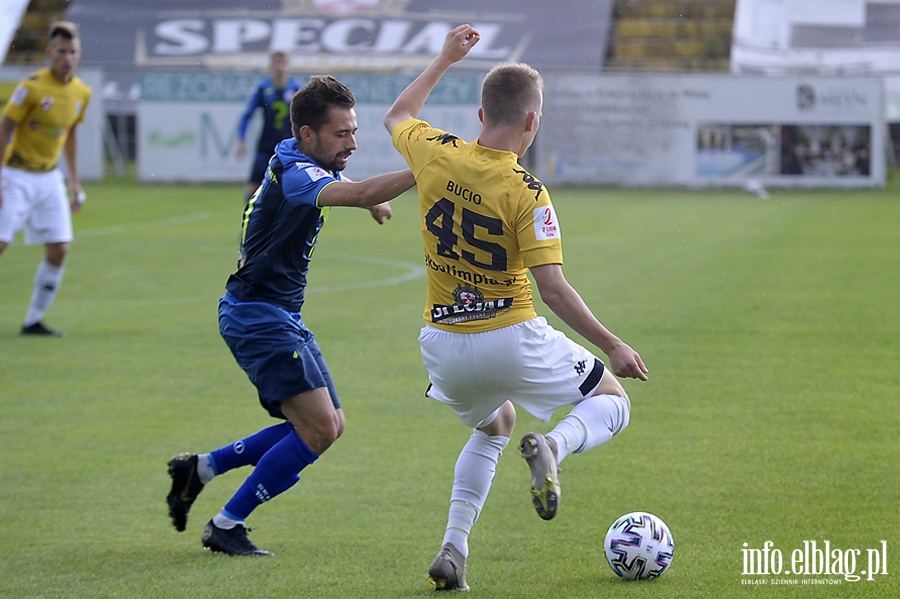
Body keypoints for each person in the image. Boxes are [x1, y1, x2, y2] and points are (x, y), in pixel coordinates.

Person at [383, 25, 649, 591]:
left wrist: (444, 58)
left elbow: (397, 113)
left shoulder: (436, 151)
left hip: (442, 344)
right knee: (613, 403)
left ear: (480, 115)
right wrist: (613, 344)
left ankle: (453, 549)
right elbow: (552, 288)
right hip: (511, 334)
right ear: (532, 121)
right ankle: (553, 446)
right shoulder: (527, 191)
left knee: (494, 424)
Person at [166, 75, 413, 556]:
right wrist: (430, 166)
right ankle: (226, 524)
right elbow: (350, 190)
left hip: (271, 313)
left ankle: (200, 469)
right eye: (342, 135)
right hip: (258, 316)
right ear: (308, 133)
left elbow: (341, 181)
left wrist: (371, 200)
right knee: (318, 430)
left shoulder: (296, 156)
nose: (353, 143)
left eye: (353, 131)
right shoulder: (299, 174)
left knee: (329, 425)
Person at [0, 21, 91, 337]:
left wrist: (74, 182)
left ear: (79, 54)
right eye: (61, 51)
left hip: (49, 178)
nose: (67, 57)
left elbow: (69, 135)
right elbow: (5, 128)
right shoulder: (32, 87)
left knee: (59, 248)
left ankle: (33, 320)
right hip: (15, 175)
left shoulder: (82, 91)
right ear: (49, 53)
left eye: (73, 52)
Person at [235, 51, 304, 201]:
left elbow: (307, 117)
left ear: (289, 66)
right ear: (270, 66)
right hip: (266, 146)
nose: (280, 68)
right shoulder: (262, 88)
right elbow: (247, 115)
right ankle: (251, 220)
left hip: (290, 147)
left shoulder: (297, 88)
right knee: (254, 186)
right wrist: (241, 139)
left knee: (293, 186)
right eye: (277, 63)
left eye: (283, 63)